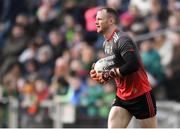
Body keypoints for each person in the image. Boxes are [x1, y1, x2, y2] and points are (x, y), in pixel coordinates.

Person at [90, 7, 157, 128]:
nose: (95, 22)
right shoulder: (106, 43)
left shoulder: (122, 39)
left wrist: (109, 74)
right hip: (122, 96)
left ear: (111, 21)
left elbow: (132, 65)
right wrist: (102, 75)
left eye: (99, 19)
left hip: (140, 94)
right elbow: (117, 67)